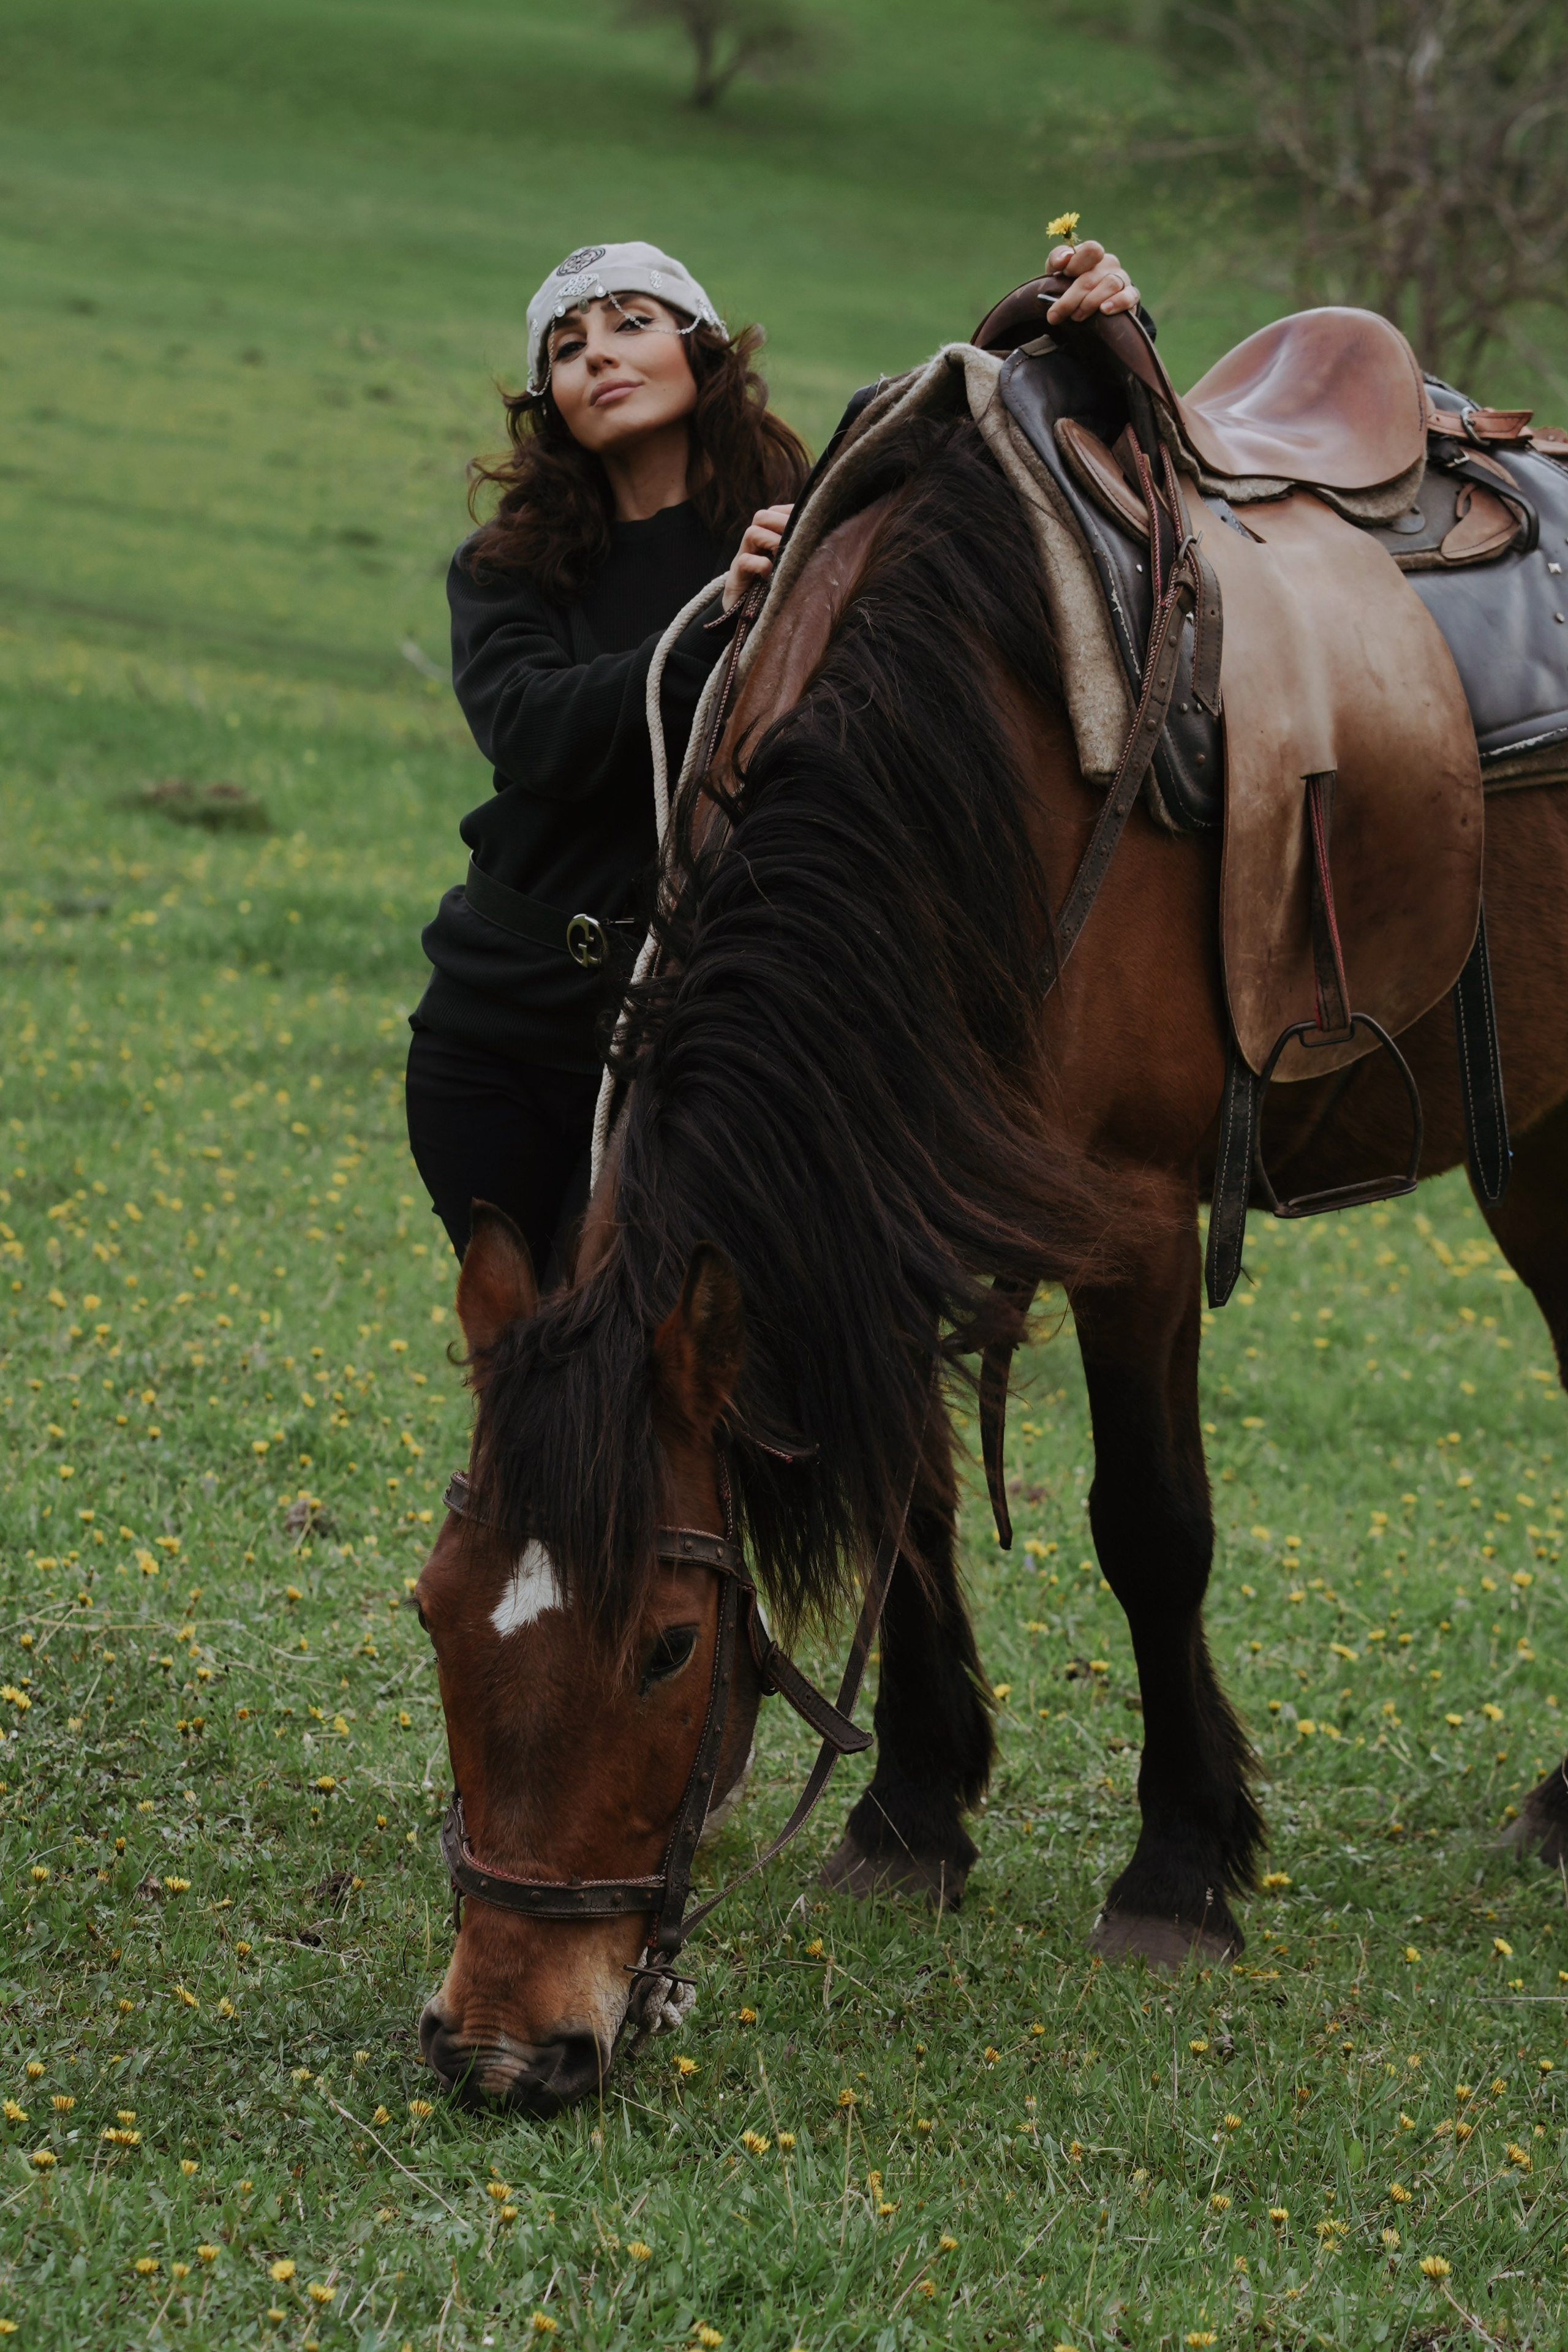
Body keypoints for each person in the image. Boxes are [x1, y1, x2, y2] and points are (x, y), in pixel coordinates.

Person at [406, 234, 1140, 1278]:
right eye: (567, 349)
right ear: (550, 402)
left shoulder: (809, 525)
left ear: (702, 350)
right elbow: (534, 731)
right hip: (494, 1018)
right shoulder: (507, 567)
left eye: (631, 323)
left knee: (615, 1306)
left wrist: (1095, 338)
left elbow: (992, 476)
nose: (598, 354)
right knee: (518, 1336)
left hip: (687, 1028)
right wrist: (720, 628)